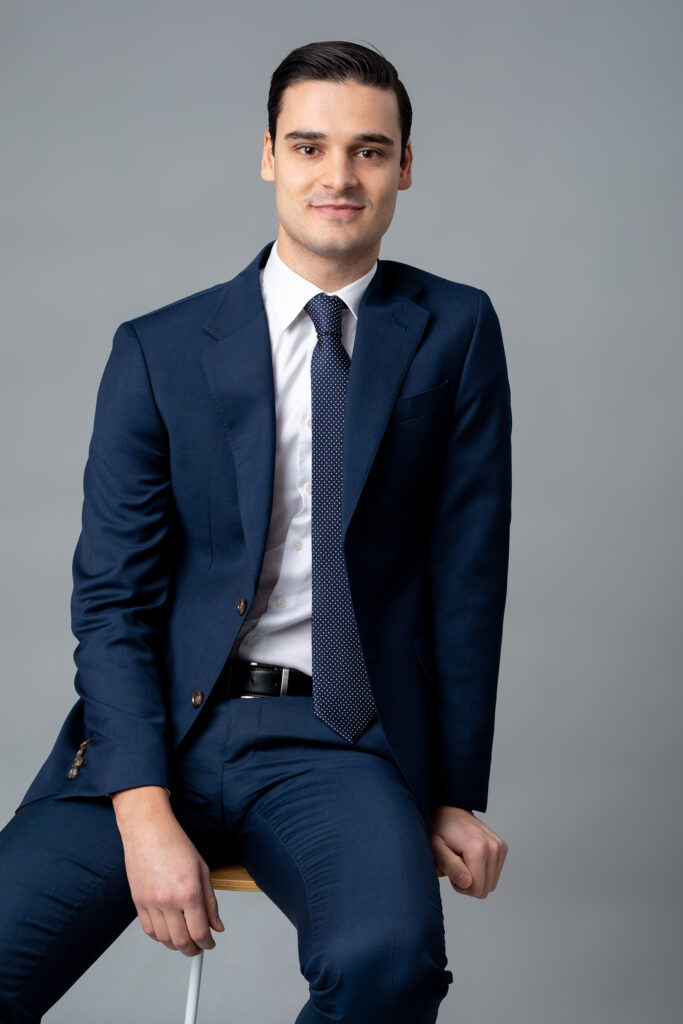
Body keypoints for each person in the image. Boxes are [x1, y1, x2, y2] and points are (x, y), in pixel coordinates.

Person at [0, 39, 512, 1023]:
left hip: (338, 739)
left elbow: (465, 579)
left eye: (369, 150)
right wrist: (143, 811)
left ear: (404, 166)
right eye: (310, 146)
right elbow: (111, 601)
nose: (338, 176)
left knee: (387, 965)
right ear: (269, 155)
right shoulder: (158, 349)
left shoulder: (452, 330)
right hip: (155, 731)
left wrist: (449, 790)